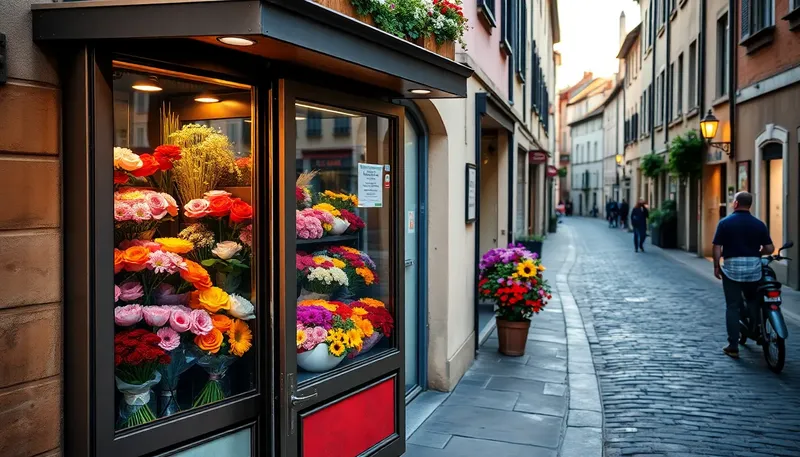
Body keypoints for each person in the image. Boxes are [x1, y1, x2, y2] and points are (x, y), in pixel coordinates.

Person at [712, 192, 774, 359]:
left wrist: (716, 266)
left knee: (732, 306)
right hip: (753, 269)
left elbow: (717, 247)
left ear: (736, 204)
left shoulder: (725, 223)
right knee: (753, 300)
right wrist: (758, 252)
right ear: (750, 205)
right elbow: (770, 248)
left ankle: (733, 346)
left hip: (732, 269)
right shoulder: (759, 224)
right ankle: (756, 329)